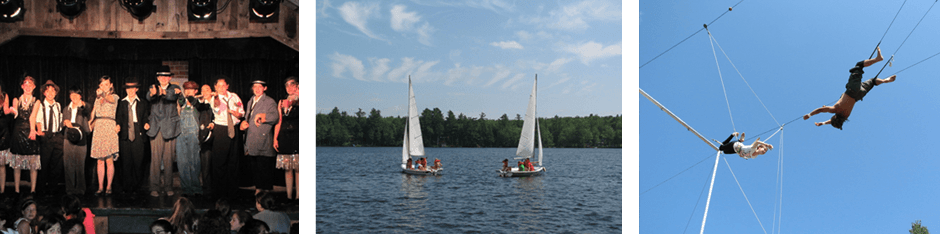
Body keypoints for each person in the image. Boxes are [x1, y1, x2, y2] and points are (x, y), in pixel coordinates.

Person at [803, 47, 897, 129]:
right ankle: (878, 59)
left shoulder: (845, 116)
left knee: (873, 81)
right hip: (852, 90)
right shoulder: (834, 109)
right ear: (834, 117)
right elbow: (820, 110)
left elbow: (832, 121)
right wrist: (809, 115)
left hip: (859, 94)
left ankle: (885, 81)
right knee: (859, 65)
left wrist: (823, 123)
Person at [204, 76, 244, 196]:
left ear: (227, 86)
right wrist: (215, 96)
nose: (221, 88)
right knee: (219, 161)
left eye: (223, 85)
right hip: (221, 130)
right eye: (219, 86)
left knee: (233, 160)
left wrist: (237, 113)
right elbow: (216, 106)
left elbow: (241, 111)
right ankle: (219, 191)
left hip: (234, 129)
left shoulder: (234, 96)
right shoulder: (214, 97)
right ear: (215, 87)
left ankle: (232, 190)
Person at [147, 66, 181, 197]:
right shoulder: (153, 87)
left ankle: (168, 187)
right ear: (157, 78)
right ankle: (154, 187)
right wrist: (154, 93)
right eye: (160, 76)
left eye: (166, 76)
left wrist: (164, 92)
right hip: (156, 128)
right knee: (155, 160)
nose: (163, 78)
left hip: (170, 129)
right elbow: (149, 97)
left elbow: (173, 97)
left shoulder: (174, 89)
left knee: (168, 160)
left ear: (170, 78)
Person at [241, 80, 279, 195]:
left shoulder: (269, 101)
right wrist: (244, 123)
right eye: (255, 87)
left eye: (260, 87)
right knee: (255, 169)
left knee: (265, 169)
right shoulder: (250, 101)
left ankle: (266, 195)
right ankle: (258, 191)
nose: (257, 89)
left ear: (265, 88)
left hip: (263, 140)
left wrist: (263, 117)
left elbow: (275, 117)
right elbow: (248, 118)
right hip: (251, 139)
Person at [116, 77, 150, 195]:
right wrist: (118, 125)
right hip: (125, 133)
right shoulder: (122, 103)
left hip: (138, 132)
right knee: (126, 162)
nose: (130, 91)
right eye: (128, 89)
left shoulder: (142, 102)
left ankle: (137, 187)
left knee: (138, 161)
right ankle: (127, 187)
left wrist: (146, 123)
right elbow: (119, 117)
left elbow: (146, 116)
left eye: (132, 89)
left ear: (136, 89)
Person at [10, 76, 42, 195]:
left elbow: (33, 116)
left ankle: (33, 189)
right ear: (22, 86)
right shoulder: (16, 99)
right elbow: (15, 113)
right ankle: (17, 190)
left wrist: (32, 130)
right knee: (17, 164)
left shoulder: (36, 101)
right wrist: (12, 110)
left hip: (30, 130)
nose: (28, 87)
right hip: (18, 132)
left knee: (33, 162)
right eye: (25, 84)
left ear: (34, 87)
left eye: (30, 84)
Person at [89, 76, 120, 196]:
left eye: (106, 84)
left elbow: (110, 99)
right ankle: (100, 187)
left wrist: (102, 94)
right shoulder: (97, 99)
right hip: (99, 127)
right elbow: (94, 113)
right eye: (102, 85)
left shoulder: (115, 97)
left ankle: (109, 186)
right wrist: (90, 123)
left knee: (109, 160)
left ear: (111, 85)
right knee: (99, 161)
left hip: (109, 127)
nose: (104, 87)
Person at [37, 80, 64, 194]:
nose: (50, 93)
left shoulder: (58, 105)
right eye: (48, 91)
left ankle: (53, 189)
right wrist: (41, 132)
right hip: (46, 136)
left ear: (56, 93)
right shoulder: (41, 105)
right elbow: (38, 121)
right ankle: (41, 189)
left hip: (57, 137)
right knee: (44, 163)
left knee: (56, 164)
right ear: (44, 92)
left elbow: (60, 119)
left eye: (53, 91)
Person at [274, 77, 299, 200]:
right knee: (288, 169)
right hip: (284, 136)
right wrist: (275, 138)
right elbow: (279, 121)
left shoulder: (298, 101)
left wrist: (295, 98)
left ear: (297, 86)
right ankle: (289, 196)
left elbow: (296, 102)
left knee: (298, 168)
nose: (289, 88)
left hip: (296, 136)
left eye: (292, 85)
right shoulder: (281, 102)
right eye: (287, 86)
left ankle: (298, 196)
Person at [62, 86, 90, 196]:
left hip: (81, 138)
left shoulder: (83, 107)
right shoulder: (66, 109)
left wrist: (82, 105)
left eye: (76, 94)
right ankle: (70, 189)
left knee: (80, 165)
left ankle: (80, 189)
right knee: (68, 165)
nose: (74, 97)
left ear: (80, 96)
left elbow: (88, 109)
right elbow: (61, 123)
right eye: (72, 94)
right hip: (68, 138)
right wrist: (65, 122)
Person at [176, 81, 202, 196]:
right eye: (186, 89)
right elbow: (180, 102)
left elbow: (197, 104)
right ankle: (186, 187)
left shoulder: (198, 101)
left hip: (193, 133)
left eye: (191, 89)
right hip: (180, 133)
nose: (188, 91)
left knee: (194, 160)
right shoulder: (181, 101)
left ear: (196, 91)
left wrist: (191, 98)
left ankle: (196, 187)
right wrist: (181, 96)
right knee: (182, 161)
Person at [0, 83, 12, 194]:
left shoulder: (4, 95)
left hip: (2, 131)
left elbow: (6, 111)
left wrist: (12, 109)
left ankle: (2, 190)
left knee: (2, 165)